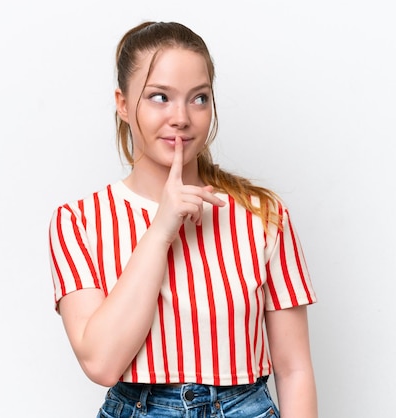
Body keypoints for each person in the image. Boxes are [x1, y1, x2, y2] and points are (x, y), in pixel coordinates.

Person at [48, 21, 318, 418]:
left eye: (199, 98)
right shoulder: (79, 222)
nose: (181, 117)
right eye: (160, 97)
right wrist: (161, 230)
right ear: (123, 104)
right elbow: (101, 364)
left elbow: (294, 370)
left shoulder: (263, 215)